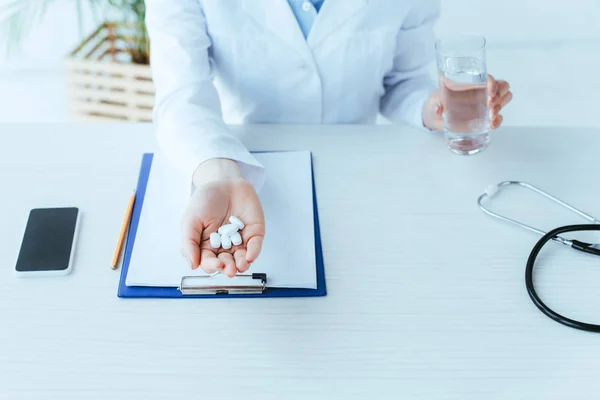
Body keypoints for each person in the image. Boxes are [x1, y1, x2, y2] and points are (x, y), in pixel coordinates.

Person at [145, 0, 513, 278]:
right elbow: (181, 97)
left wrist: (431, 107)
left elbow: (401, 81)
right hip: (247, 163)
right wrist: (218, 173)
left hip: (362, 180)